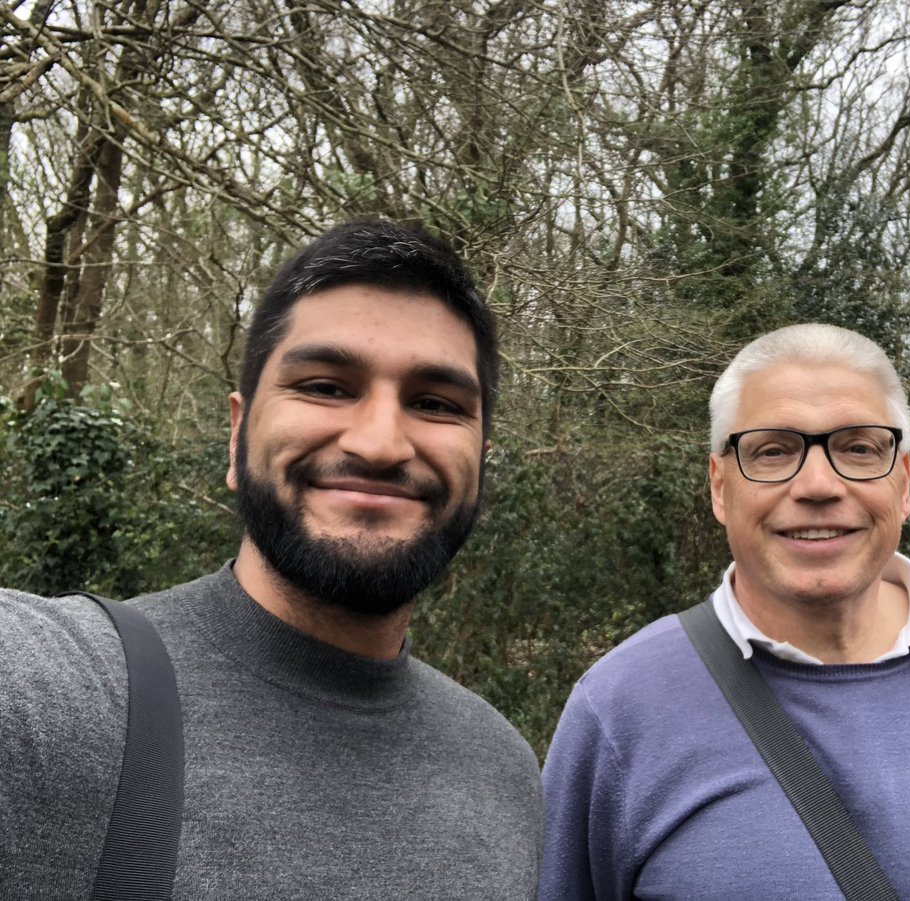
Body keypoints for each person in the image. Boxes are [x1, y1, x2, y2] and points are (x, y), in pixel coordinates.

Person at [0, 220, 543, 899]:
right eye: (324, 385)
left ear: (482, 463)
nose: (379, 443)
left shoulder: (507, 773)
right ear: (237, 435)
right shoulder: (58, 694)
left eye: (435, 403)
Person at [538, 323, 910, 900]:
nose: (818, 484)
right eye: (773, 450)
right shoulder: (617, 706)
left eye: (859, 448)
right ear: (719, 487)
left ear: (903, 483)